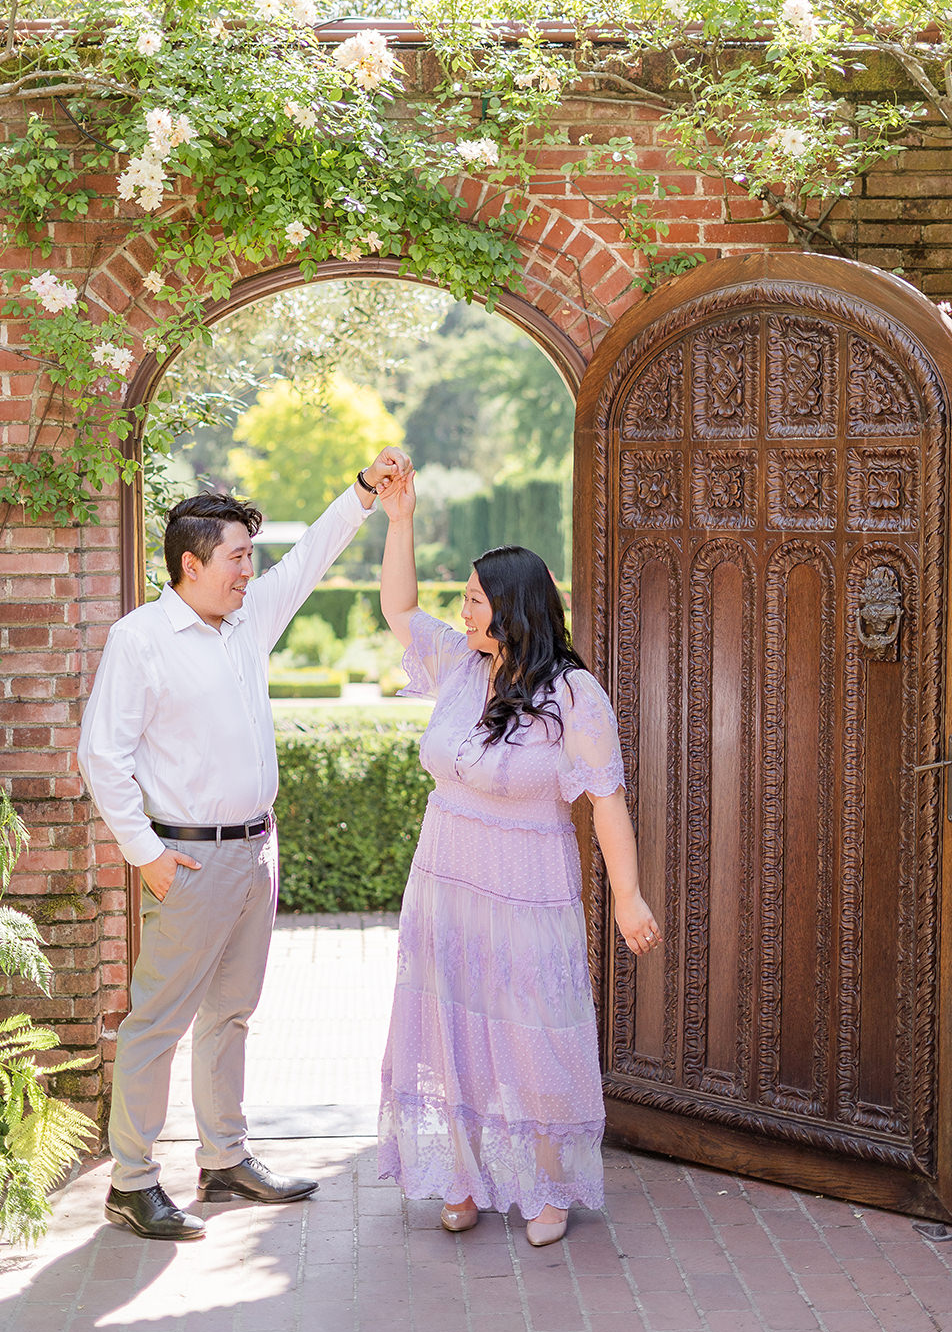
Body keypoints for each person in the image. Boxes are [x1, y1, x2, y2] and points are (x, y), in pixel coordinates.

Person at [78, 449, 410, 1241]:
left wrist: (363, 490)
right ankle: (132, 1181)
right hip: (187, 860)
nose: (247, 574)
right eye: (235, 559)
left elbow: (310, 558)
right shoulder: (141, 639)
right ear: (192, 564)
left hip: (257, 851)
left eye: (249, 560)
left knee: (232, 1014)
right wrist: (145, 855)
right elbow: (101, 754)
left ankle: (224, 1159)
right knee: (157, 1023)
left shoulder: (247, 620)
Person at [375, 470, 660, 1248]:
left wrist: (628, 897)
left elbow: (605, 799)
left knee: (534, 1029)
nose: (461, 608)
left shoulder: (573, 695)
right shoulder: (457, 665)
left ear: (513, 606)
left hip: (529, 885)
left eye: (473, 597)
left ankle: (548, 1186)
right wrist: (399, 519)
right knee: (453, 1027)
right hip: (447, 880)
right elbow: (398, 608)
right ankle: (464, 1178)